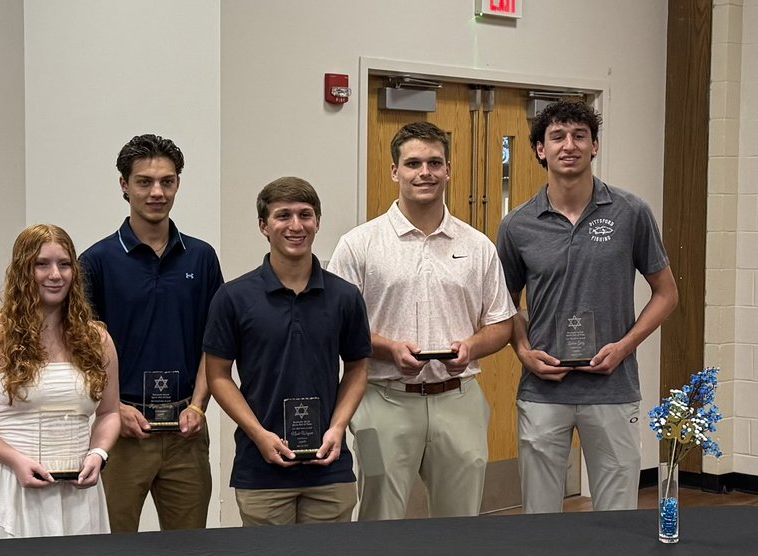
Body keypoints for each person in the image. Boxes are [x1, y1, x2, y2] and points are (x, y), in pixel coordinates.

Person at [495, 100, 678, 513]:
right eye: (557, 137)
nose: (569, 145)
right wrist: (523, 352)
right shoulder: (518, 225)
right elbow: (501, 304)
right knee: (540, 515)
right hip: (543, 390)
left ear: (595, 146)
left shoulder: (631, 213)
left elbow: (666, 293)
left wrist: (625, 346)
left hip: (612, 387)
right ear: (540, 149)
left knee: (616, 516)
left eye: (580, 136)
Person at [328, 121, 515, 521]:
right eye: (413, 163)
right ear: (395, 171)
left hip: (458, 399)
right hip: (383, 399)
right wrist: (389, 348)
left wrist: (472, 348)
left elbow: (501, 324)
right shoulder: (359, 244)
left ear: (448, 170)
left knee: (460, 521)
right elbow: (337, 326)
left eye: (434, 162)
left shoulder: (477, 245)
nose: (424, 172)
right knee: (381, 518)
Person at [203, 177, 371, 527]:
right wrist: (259, 434)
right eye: (283, 216)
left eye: (305, 215)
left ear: (318, 222)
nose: (296, 226)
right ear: (264, 226)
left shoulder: (345, 296)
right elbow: (217, 376)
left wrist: (338, 428)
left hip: (330, 466)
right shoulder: (233, 298)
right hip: (261, 466)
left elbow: (357, 368)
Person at [79, 134, 223, 533]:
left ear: (178, 183)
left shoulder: (202, 257)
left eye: (167, 181)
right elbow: (83, 350)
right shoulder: (96, 261)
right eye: (144, 181)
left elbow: (214, 346)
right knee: (113, 549)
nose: (157, 192)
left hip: (185, 430)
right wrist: (114, 410)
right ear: (124, 185)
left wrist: (198, 405)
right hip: (121, 430)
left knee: (188, 550)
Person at [0, 225, 120, 539]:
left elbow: (109, 413)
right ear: (23, 270)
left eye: (64, 264)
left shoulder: (98, 339)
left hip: (76, 493)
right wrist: (15, 460)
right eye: (42, 264)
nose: (55, 274)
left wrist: (99, 454)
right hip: (9, 485)